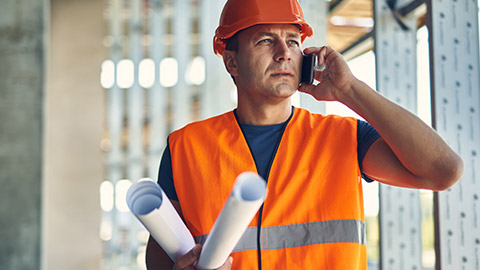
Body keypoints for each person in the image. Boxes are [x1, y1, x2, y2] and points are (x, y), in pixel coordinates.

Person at [145, 0, 464, 269]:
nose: (284, 52)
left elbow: (443, 171)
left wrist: (349, 90)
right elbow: (159, 255)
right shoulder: (185, 147)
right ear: (232, 62)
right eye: (265, 40)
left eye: (293, 41)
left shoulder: (346, 138)